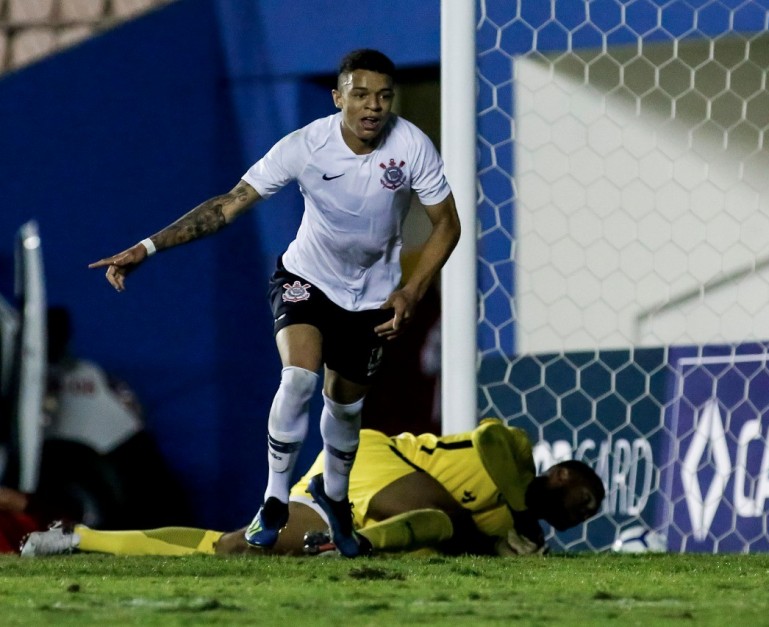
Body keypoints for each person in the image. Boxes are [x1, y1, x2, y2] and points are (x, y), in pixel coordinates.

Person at [87, 49, 461, 556]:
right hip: (305, 278)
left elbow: (448, 224)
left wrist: (411, 291)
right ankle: (274, 501)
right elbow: (227, 205)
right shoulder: (306, 146)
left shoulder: (411, 145)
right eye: (361, 95)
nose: (373, 106)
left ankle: (334, 497)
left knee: (345, 410)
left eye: (384, 96)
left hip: (373, 297)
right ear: (338, 98)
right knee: (298, 377)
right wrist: (147, 247)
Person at [20, 419, 605, 557]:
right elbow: (494, 448)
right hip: (379, 457)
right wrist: (508, 529)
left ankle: (77, 540)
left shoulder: (519, 535)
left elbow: (506, 558)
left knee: (232, 548)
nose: (583, 506)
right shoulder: (516, 450)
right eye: (582, 492)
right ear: (558, 474)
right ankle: (356, 544)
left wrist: (517, 542)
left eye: (590, 511)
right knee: (446, 522)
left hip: (356, 500)